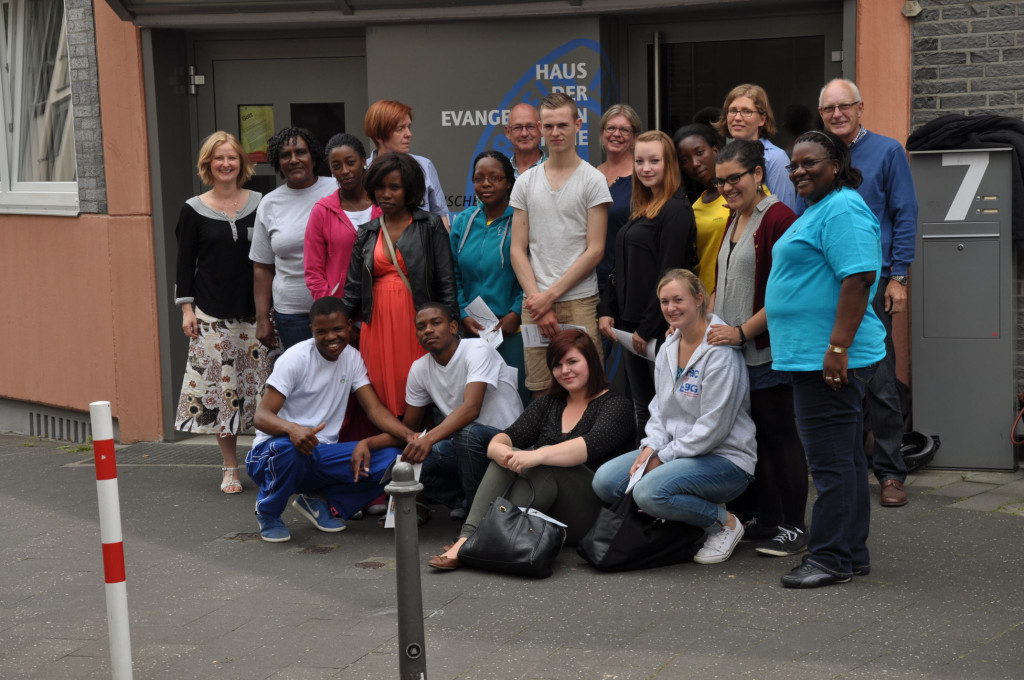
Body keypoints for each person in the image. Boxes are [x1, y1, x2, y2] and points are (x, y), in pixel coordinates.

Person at [765, 130, 886, 588]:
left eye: (810, 162)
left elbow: (858, 277)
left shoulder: (844, 209)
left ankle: (830, 558)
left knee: (832, 463)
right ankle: (850, 553)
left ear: (836, 164)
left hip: (828, 359)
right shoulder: (819, 209)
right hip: (813, 357)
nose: (798, 170)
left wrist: (837, 347)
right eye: (794, 164)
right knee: (847, 459)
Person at [427, 330, 636, 570]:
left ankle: (485, 539)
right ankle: (469, 538)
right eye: (557, 365)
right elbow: (507, 436)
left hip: (594, 515)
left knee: (544, 463)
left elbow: (589, 446)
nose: (565, 371)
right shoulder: (549, 404)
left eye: (572, 361)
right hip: (552, 506)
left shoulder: (616, 405)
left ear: (591, 360)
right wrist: (498, 449)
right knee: (510, 454)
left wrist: (536, 455)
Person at [593, 269, 756, 566]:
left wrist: (663, 458)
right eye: (664, 301)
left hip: (726, 460)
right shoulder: (668, 346)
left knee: (648, 492)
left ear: (698, 299)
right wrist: (650, 447)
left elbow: (713, 430)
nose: (671, 308)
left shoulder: (721, 352)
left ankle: (724, 523)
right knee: (605, 481)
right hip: (678, 454)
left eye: (678, 299)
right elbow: (659, 410)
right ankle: (683, 507)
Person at [704, 140, 807, 556]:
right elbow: (723, 284)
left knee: (781, 436)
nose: (727, 187)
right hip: (734, 355)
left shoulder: (779, 218)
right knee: (756, 437)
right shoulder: (735, 218)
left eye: (735, 178)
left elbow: (786, 295)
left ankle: (796, 526)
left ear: (758, 175)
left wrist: (743, 332)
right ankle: (768, 518)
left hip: (765, 351)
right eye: (721, 180)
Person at [819, 78, 918, 508]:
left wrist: (900, 276)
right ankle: (846, 466)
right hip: (828, 283)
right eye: (829, 109)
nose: (837, 114)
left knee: (878, 379)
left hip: (873, 282)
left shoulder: (888, 151)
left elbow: (905, 212)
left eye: (845, 106)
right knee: (836, 376)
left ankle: (892, 471)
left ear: (861, 108)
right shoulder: (817, 155)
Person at [244, 297, 415, 542]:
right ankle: (268, 513)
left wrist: (408, 436)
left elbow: (374, 409)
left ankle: (319, 501)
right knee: (291, 449)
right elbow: (261, 416)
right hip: (272, 453)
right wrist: (293, 429)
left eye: (337, 329)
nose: (331, 337)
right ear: (311, 330)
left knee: (391, 461)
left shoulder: (352, 358)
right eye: (321, 331)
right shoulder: (295, 358)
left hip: (321, 453)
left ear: (348, 326)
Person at [359, 303, 523, 519]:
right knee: (400, 470)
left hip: (504, 441)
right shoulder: (419, 368)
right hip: (465, 450)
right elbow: (409, 430)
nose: (428, 330)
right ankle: (468, 502)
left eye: (436, 323)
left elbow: (471, 408)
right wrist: (368, 443)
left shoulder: (477, 349)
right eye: (421, 326)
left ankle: (478, 522)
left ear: (454, 327)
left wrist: (429, 440)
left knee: (467, 433)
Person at [174, 131, 270, 495]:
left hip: (257, 315)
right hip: (213, 316)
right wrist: (187, 310)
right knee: (224, 392)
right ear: (208, 165)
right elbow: (185, 266)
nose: (226, 164)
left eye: (231, 157)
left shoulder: (263, 203)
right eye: (218, 158)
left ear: (241, 163)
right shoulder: (193, 209)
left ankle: (265, 461)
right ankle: (231, 466)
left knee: (264, 391)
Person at [341, 151, 457, 417]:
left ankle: (417, 447)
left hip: (418, 321)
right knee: (382, 391)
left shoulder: (430, 225)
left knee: (419, 389)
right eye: (380, 187)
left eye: (394, 187)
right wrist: (331, 326)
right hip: (377, 325)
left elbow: (446, 282)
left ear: (410, 189)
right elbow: (352, 291)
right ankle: (392, 452)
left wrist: (453, 328)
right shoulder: (367, 232)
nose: (386, 193)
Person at [510, 92, 612, 394]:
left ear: (578, 125)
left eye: (563, 125)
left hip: (579, 300)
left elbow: (595, 249)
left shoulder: (593, 180)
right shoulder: (526, 181)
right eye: (549, 126)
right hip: (535, 301)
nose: (556, 133)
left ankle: (588, 444)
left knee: (588, 388)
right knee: (542, 388)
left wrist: (548, 297)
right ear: (541, 127)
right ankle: (549, 444)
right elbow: (517, 249)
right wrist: (538, 301)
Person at [598, 131, 698, 435]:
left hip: (655, 332)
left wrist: (648, 326)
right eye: (639, 161)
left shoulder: (676, 210)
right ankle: (643, 473)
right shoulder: (641, 207)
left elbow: (671, 275)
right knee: (642, 408)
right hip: (629, 329)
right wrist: (607, 308)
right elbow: (619, 266)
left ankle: (662, 477)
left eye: (654, 161)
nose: (646, 168)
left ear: (668, 164)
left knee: (665, 411)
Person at [450, 150, 529, 401]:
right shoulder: (463, 221)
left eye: (494, 178)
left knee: (516, 400)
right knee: (477, 403)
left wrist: (515, 313)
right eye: (479, 178)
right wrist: (463, 314)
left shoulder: (521, 220)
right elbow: (453, 274)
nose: (485, 184)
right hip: (473, 331)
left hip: (512, 331)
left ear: (508, 182)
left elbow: (533, 272)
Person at [250, 127, 336, 350]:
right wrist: (262, 320)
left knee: (344, 380)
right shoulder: (269, 204)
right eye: (286, 155)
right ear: (278, 162)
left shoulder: (337, 189)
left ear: (313, 157)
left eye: (300, 152)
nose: (294, 160)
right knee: (303, 383)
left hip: (339, 310)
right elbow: (262, 267)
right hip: (292, 315)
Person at [304, 133, 382, 301]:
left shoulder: (383, 204)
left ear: (363, 161)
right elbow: (313, 272)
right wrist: (333, 309)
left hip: (383, 305)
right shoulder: (322, 211)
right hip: (341, 309)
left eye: (350, 162)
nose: (345, 171)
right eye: (337, 166)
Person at [364, 99, 450, 228]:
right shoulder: (362, 172)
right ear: (379, 136)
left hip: (422, 245)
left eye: (408, 127)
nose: (409, 134)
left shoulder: (424, 166)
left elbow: (440, 216)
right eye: (400, 129)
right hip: (379, 246)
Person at [714, 84, 800, 214]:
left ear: (762, 119)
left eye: (746, 111)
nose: (737, 118)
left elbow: (784, 216)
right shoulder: (726, 155)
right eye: (732, 111)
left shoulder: (776, 158)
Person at [675, 124, 729, 295]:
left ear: (715, 150)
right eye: (685, 160)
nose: (695, 163)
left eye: (699, 153)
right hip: (705, 298)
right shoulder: (693, 209)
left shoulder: (745, 193)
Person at [594, 104, 642, 294]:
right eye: (611, 128)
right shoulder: (591, 175)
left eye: (624, 130)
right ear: (602, 132)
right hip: (590, 282)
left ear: (635, 137)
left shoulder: (642, 177)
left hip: (628, 283)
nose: (616, 134)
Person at [504, 103, 546, 178]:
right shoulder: (501, 172)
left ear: (541, 129)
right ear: (508, 132)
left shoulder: (556, 169)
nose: (524, 133)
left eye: (530, 127)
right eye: (517, 128)